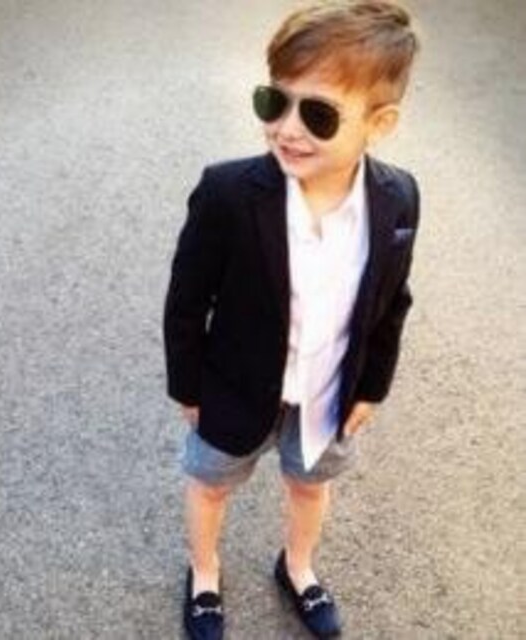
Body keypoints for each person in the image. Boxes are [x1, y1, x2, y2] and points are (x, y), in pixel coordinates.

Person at [163, 1, 421, 637]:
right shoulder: (228, 194)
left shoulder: (398, 198)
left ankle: (298, 566)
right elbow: (187, 299)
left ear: (380, 123)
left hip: (327, 394)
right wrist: (188, 387)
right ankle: (204, 574)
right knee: (210, 484)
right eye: (273, 101)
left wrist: (372, 387)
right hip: (232, 388)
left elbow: (392, 301)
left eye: (318, 113)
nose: (286, 128)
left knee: (309, 486)